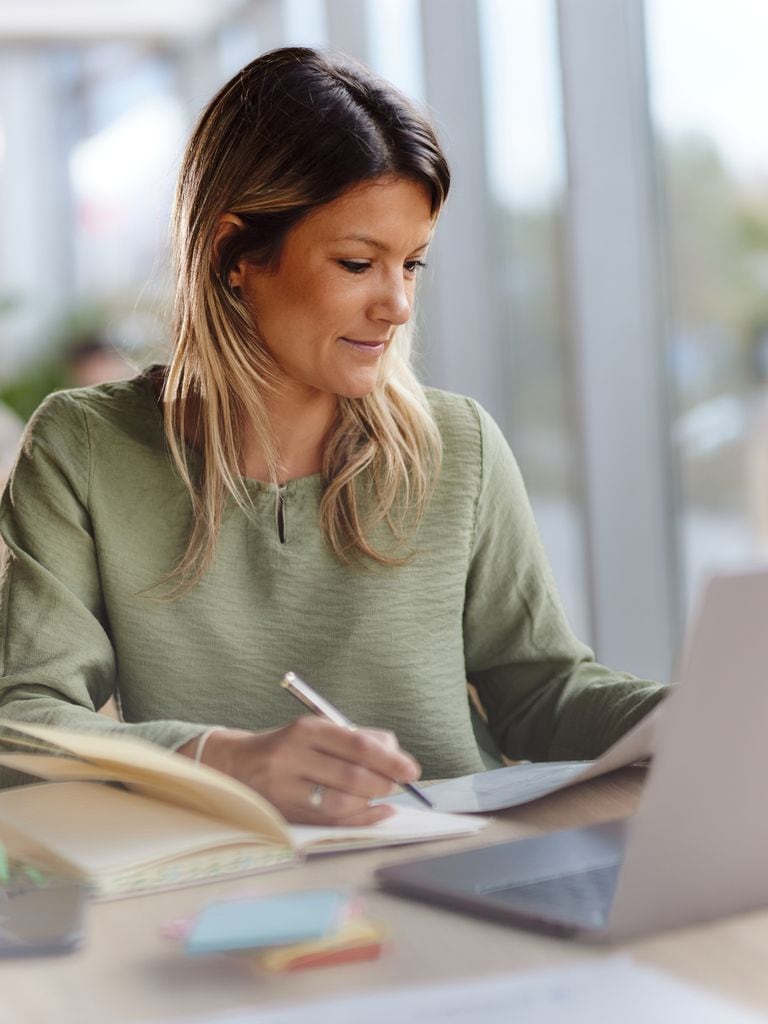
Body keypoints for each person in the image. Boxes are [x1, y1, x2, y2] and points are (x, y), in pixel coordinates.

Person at [0, 46, 663, 825]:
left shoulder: (460, 446)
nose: (398, 305)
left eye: (412, 265)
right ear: (234, 254)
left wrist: (692, 715)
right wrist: (224, 761)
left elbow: (544, 692)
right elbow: (23, 723)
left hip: (463, 861)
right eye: (357, 263)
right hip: (232, 878)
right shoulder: (84, 448)